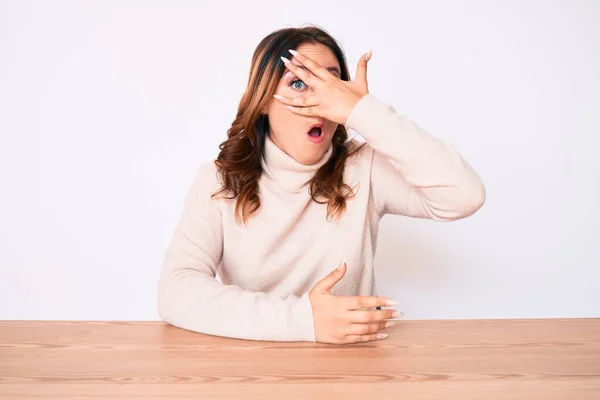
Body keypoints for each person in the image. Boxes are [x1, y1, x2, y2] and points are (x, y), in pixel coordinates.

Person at [157, 25, 486, 345]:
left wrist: (363, 111)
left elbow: (464, 196)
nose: (318, 99)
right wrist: (305, 321)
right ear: (262, 101)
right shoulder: (219, 180)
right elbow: (176, 290)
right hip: (253, 366)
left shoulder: (364, 166)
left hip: (351, 369)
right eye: (299, 82)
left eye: (331, 83)